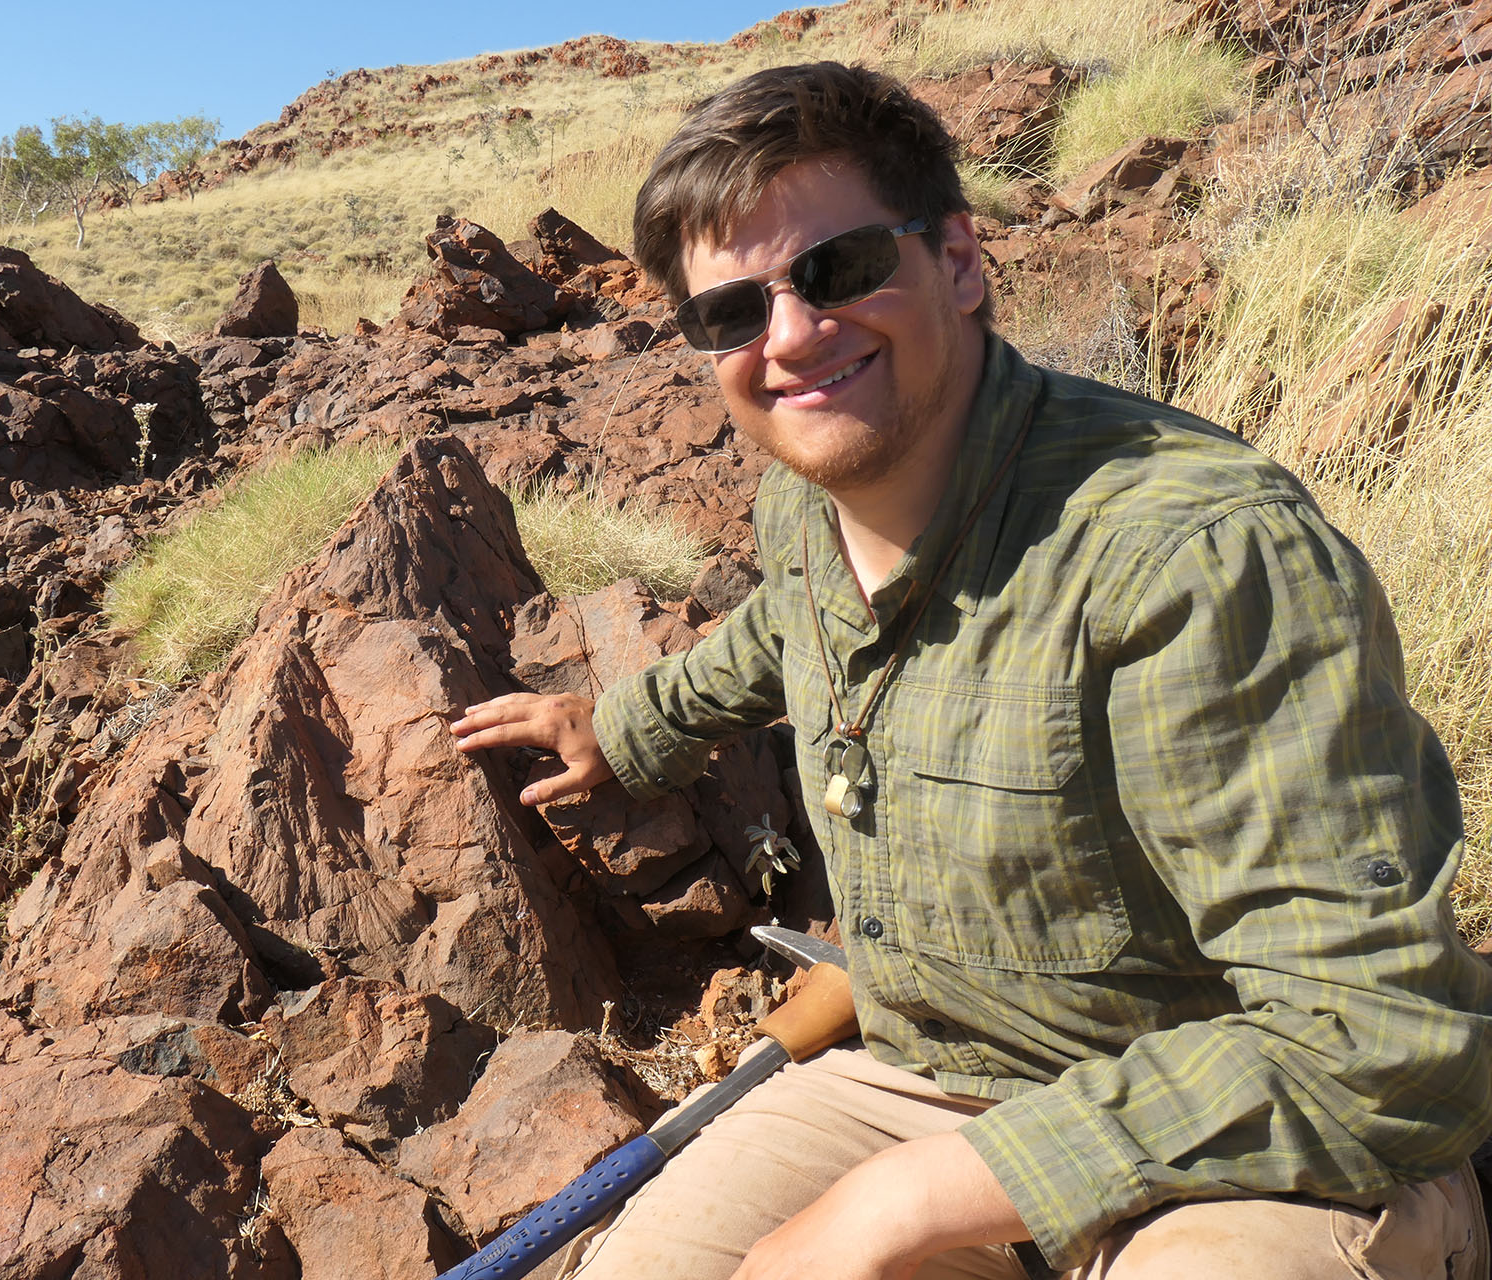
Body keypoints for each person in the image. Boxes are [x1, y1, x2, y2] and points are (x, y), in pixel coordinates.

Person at [450, 61, 1492, 1280]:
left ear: (956, 260)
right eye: (731, 313)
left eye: (835, 270)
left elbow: (1374, 1041)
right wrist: (621, 728)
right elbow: (780, 636)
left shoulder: (1195, 554)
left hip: (1253, 1118)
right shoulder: (807, 507)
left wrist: (896, 1203)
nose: (789, 335)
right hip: (937, 1075)